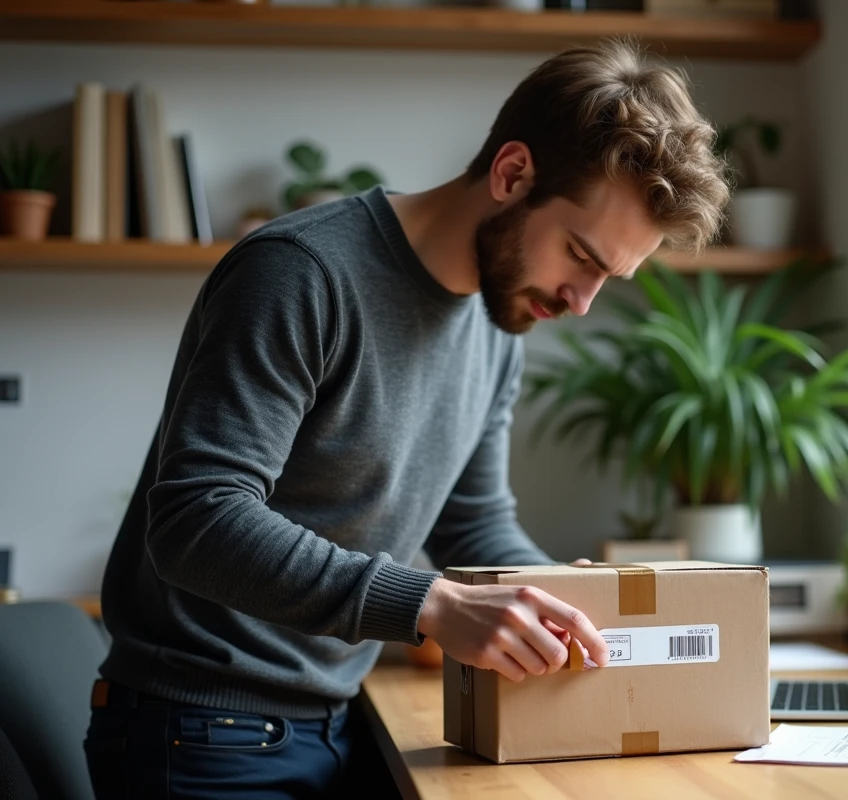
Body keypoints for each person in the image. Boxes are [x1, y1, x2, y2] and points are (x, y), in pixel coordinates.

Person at [83, 37, 729, 799]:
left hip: (333, 721)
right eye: (581, 257)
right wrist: (431, 605)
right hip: (200, 732)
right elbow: (196, 518)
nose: (580, 303)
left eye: (608, 278)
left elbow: (474, 523)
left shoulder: (497, 324)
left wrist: (554, 597)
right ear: (512, 173)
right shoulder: (300, 273)